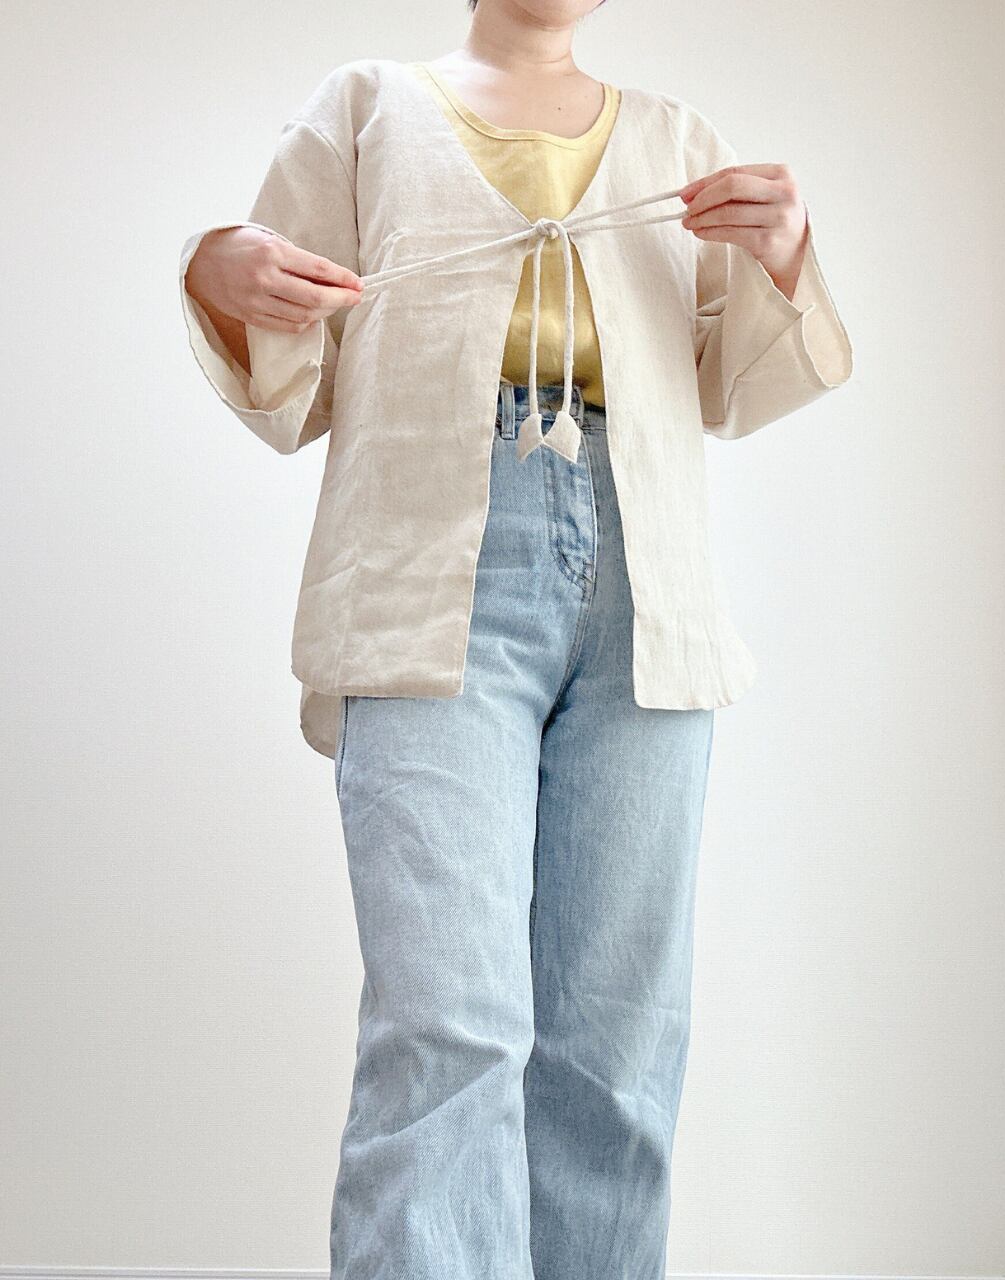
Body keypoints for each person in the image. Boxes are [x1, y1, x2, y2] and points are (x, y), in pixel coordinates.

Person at [178, 2, 853, 1276]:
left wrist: (784, 253)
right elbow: (288, 382)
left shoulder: (675, 138)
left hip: (649, 588)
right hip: (426, 568)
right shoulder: (368, 106)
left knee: (617, 1041)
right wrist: (218, 269)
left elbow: (736, 387)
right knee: (448, 1026)